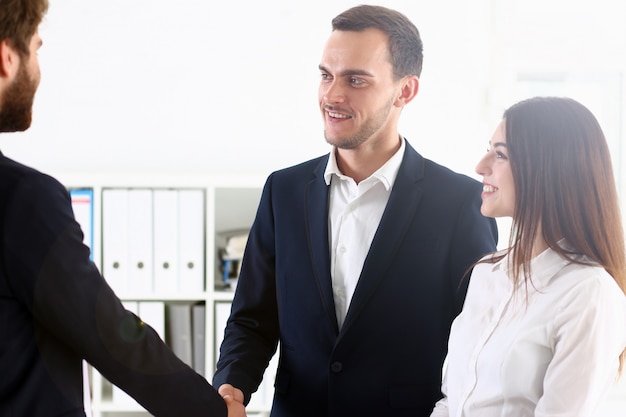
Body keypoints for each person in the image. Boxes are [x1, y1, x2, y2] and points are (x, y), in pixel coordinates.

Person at [213, 5, 498, 416]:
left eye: (356, 80)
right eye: (326, 75)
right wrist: (230, 388)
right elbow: (252, 319)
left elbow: (477, 342)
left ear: (405, 91)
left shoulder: (461, 203)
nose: (332, 95)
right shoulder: (284, 191)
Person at [0, 1, 245, 416]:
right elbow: (109, 334)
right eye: (36, 50)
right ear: (6, 59)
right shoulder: (22, 200)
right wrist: (211, 410)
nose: (38, 67)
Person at [430, 96, 626, 417]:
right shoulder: (487, 274)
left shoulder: (589, 294)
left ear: (547, 168)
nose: (481, 166)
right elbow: (453, 402)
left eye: (501, 154)